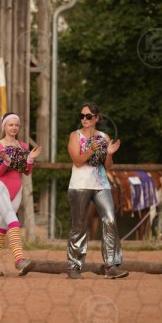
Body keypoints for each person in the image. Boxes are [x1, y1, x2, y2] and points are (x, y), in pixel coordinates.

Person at [67, 102, 129, 279]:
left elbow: (108, 166)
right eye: (81, 116)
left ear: (96, 118)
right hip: (80, 185)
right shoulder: (75, 136)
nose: (84, 119)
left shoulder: (104, 136)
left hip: (101, 185)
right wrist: (89, 150)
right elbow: (77, 161)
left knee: (110, 219)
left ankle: (111, 266)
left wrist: (109, 153)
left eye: (88, 116)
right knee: (79, 225)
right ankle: (74, 267)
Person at [0, 112, 42, 276]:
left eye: (16, 125)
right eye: (11, 124)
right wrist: (6, 162)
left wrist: (30, 159)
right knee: (13, 221)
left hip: (17, 190)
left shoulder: (23, 146)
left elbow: (27, 172)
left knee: (2, 227)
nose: (14, 127)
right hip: (1, 189)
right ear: (4, 126)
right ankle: (19, 260)